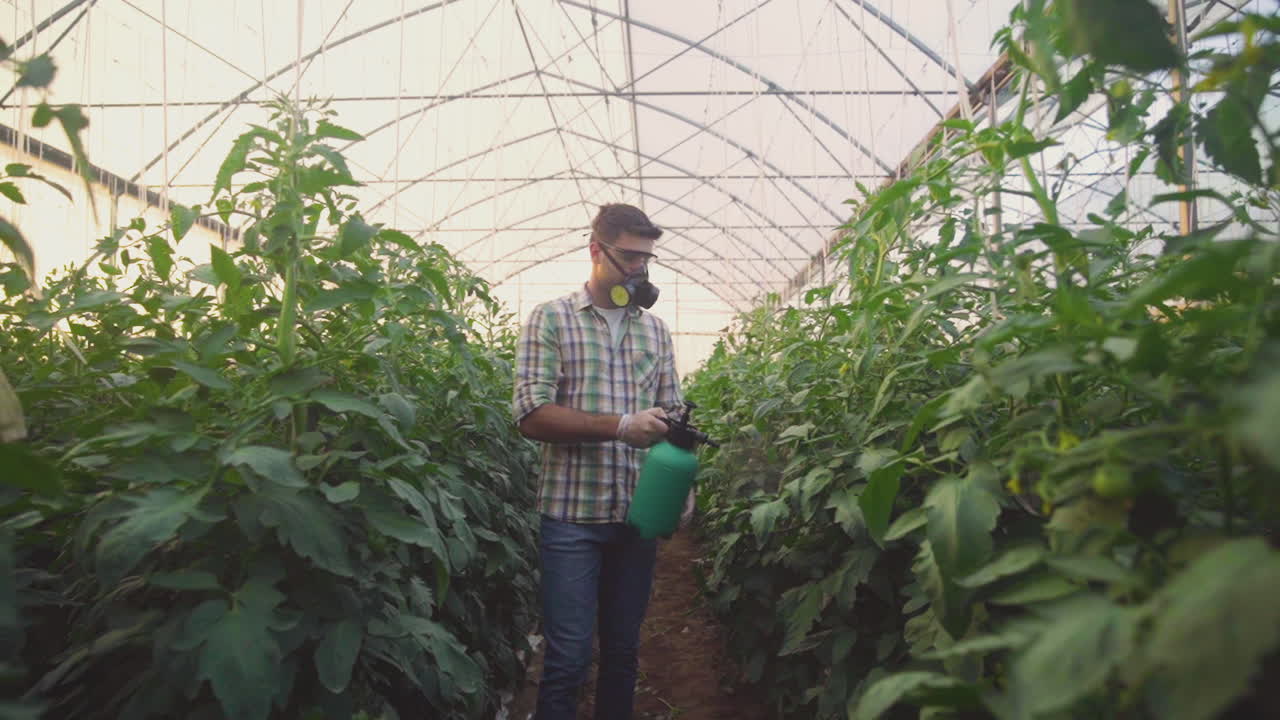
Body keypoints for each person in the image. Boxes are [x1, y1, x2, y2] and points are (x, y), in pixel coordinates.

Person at [512, 203, 690, 720]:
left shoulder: (654, 332)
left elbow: (673, 414)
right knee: (568, 657)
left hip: (637, 517)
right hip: (572, 519)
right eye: (630, 257)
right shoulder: (552, 319)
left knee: (622, 653)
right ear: (596, 251)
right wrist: (619, 425)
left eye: (646, 258)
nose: (640, 269)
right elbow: (531, 415)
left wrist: (678, 484)